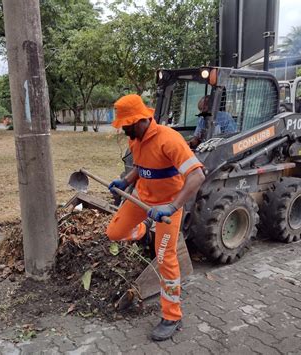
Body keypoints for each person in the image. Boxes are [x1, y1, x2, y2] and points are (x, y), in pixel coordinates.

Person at [106, 94, 205, 341]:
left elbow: (197, 176)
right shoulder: (136, 140)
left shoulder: (170, 140)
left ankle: (172, 315)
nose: (124, 129)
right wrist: (126, 181)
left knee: (164, 257)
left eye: (126, 125)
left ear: (140, 120)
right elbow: (141, 166)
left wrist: (171, 208)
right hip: (142, 199)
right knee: (114, 233)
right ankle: (143, 229)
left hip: (167, 206)